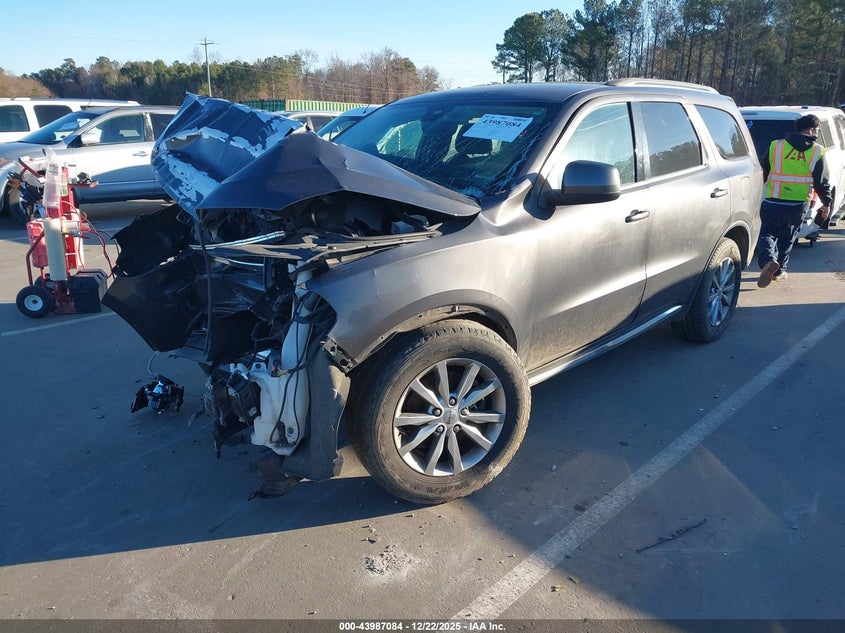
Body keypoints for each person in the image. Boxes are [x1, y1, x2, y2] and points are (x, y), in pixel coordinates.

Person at [756, 113, 832, 288]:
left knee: (767, 233)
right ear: (812, 129)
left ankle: (768, 260)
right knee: (787, 237)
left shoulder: (776, 145)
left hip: (773, 198)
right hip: (798, 203)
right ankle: (779, 270)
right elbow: (821, 181)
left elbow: (764, 170)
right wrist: (826, 203)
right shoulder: (817, 151)